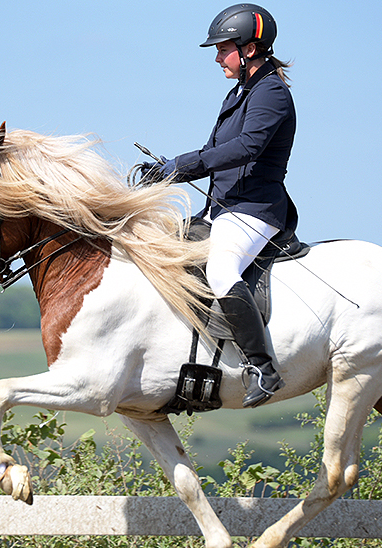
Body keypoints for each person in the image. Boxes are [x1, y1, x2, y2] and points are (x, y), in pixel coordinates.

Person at [140, 4, 298, 408]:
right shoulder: (239, 93)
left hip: (254, 209)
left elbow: (247, 148)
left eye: (222, 48)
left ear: (249, 49)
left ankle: (263, 368)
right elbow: (214, 151)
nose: (216, 57)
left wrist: (182, 165)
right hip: (223, 206)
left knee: (222, 269)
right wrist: (169, 171)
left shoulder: (272, 93)